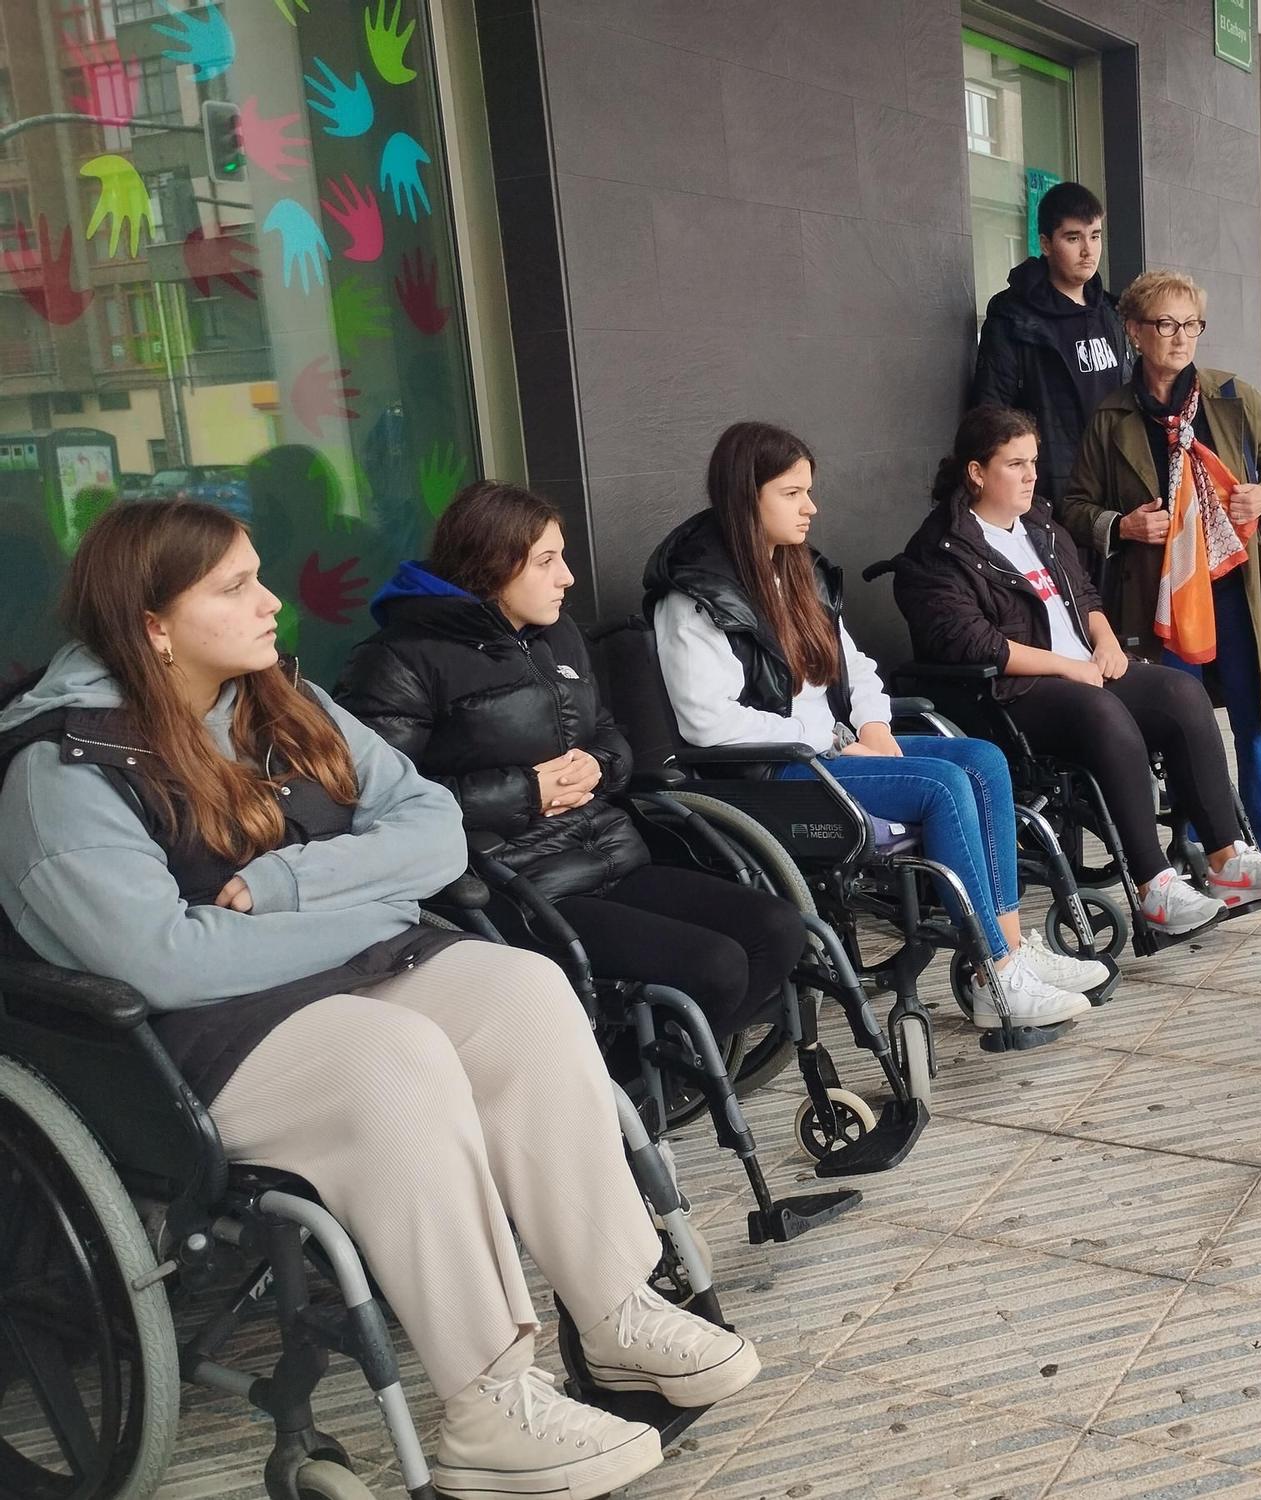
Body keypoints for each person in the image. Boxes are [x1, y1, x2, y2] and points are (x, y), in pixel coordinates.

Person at [0, 502, 759, 1500]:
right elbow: (165, 961)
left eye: (259, 573)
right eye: (234, 587)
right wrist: (370, 906)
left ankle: (613, 1309)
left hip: (344, 972)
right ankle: (489, 1409)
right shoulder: (65, 768)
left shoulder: (280, 700)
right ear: (152, 622)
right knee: (393, 1054)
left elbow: (433, 828)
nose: (272, 602)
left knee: (523, 990)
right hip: (192, 1043)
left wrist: (291, 885)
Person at [645, 420, 1102, 1033]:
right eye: (792, 494)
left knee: (983, 759)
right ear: (745, 497)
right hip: (772, 770)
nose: (811, 507)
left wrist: (875, 727)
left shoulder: (795, 569)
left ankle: (1012, 952)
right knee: (940, 785)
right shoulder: (695, 598)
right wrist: (829, 745)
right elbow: (706, 721)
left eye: (809, 490)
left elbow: (852, 664)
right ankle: (996, 973)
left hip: (833, 749)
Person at [335, 480, 807, 1046]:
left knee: (778, 930)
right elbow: (378, 801)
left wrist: (599, 767)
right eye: (546, 561)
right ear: (491, 565)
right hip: (511, 886)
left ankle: (666, 1063)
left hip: (610, 853)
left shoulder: (555, 636)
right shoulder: (397, 661)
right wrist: (526, 791)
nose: (568, 578)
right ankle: (636, 1073)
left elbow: (607, 732)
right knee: (717, 964)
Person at [893, 405, 1261, 936]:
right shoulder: (940, 550)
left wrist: (1106, 641)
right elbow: (972, 643)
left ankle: (1228, 861)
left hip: (1084, 669)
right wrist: (1068, 667)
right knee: (1103, 711)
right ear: (976, 473)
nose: (1031, 475)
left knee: (1182, 693)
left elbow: (1084, 592)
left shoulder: (1038, 522)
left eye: (1033, 462)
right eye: (1015, 464)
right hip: (1014, 693)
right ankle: (1153, 886)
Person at [1059, 269, 1261, 864]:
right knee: (1181, 718)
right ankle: (1200, 840)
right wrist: (1121, 525)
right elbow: (1073, 506)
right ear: (1134, 332)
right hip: (1160, 592)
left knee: (1256, 715)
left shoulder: (1232, 396)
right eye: (1165, 324)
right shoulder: (1112, 415)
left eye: (1191, 324)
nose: (1180, 337)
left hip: (1237, 586)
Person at [969, 180, 1130, 508]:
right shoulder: (1013, 318)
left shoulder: (1113, 314)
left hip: (1117, 493)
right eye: (1073, 238)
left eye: (1095, 236)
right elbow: (991, 415)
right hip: (1053, 498)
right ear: (1045, 243)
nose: (1088, 250)